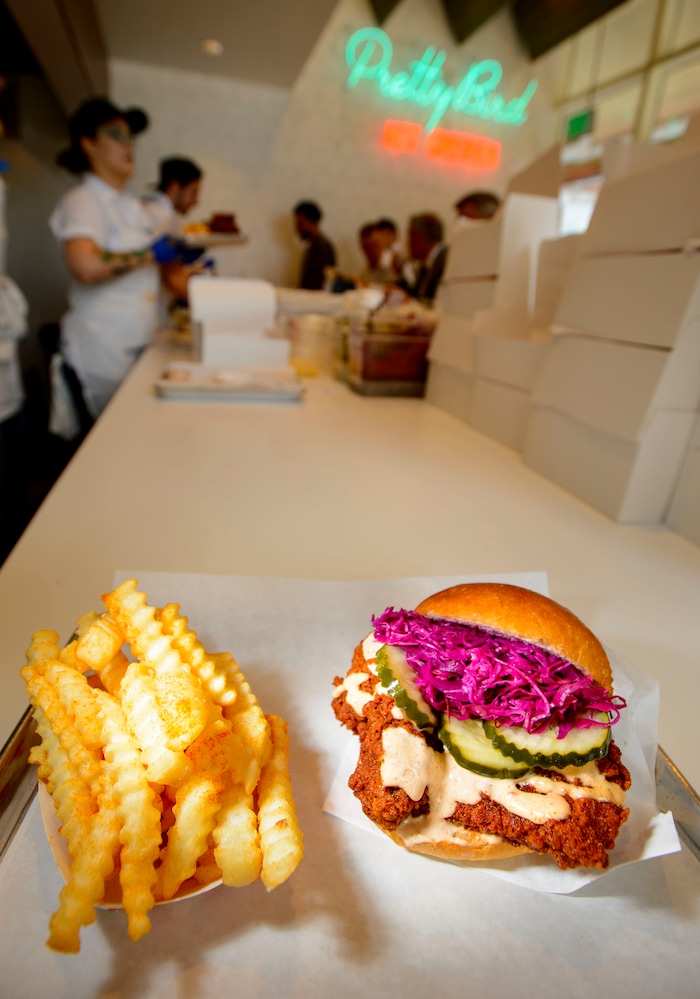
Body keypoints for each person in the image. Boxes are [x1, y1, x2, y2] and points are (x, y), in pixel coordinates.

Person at [49, 97, 181, 428]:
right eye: (116, 135)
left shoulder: (132, 207)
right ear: (89, 145)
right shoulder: (82, 201)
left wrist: (180, 255)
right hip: (102, 351)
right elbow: (85, 264)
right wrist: (150, 254)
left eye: (130, 137)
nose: (128, 145)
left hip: (138, 342)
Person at [142, 156, 203, 237]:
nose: (196, 202)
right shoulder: (158, 218)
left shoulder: (148, 208)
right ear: (174, 187)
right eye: (193, 192)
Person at [400, 213, 449, 303]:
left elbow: (438, 301)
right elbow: (417, 296)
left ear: (418, 238)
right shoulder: (426, 264)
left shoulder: (447, 260)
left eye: (409, 238)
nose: (407, 244)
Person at [293, 200, 336, 291]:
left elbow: (320, 284)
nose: (297, 230)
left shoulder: (322, 246)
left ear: (312, 222)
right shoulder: (312, 246)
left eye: (300, 224)